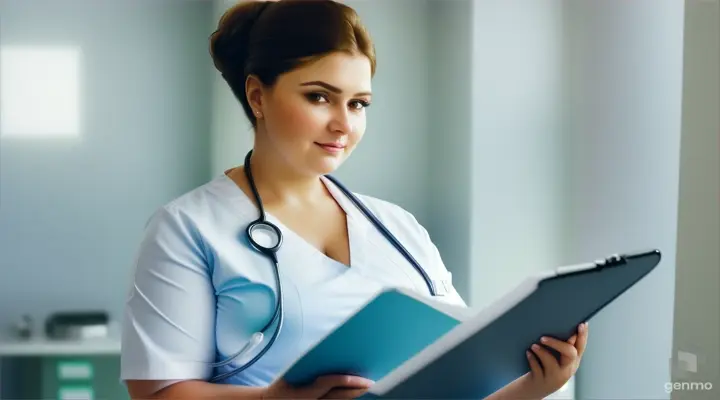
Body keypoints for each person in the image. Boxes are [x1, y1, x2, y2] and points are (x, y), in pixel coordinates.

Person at [120, 0, 589, 399]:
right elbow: (157, 391)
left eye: (359, 103)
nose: (344, 124)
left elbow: (453, 381)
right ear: (258, 96)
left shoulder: (398, 228)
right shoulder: (188, 228)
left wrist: (533, 385)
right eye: (320, 97)